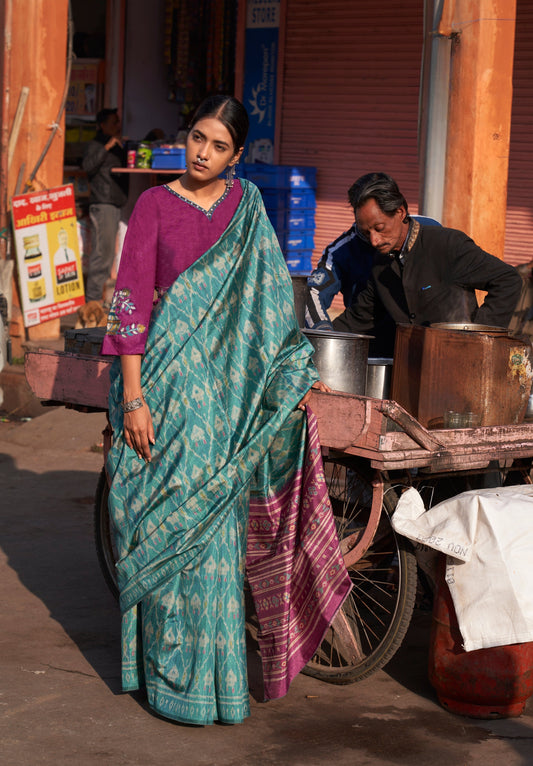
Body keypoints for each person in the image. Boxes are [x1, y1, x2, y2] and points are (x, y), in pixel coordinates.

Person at [100, 95, 350, 726]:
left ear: (238, 157)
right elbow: (131, 304)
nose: (202, 153)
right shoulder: (154, 203)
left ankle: (217, 685)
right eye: (196, 138)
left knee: (215, 535)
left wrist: (287, 375)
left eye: (217, 145)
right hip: (167, 388)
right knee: (165, 522)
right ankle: (163, 676)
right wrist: (134, 398)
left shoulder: (247, 211)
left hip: (230, 400)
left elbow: (269, 304)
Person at [331, 172, 522, 356]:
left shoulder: (447, 245)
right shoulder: (380, 264)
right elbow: (360, 317)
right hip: (414, 371)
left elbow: (508, 280)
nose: (374, 240)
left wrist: (478, 337)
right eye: (366, 233)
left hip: (463, 365)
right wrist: (315, 341)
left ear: (400, 211)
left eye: (380, 228)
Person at [82, 108, 129, 304]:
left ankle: (98, 301)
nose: (117, 126)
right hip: (103, 203)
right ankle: (92, 302)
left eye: (118, 122)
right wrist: (106, 147)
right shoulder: (97, 144)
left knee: (109, 254)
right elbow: (88, 166)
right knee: (102, 255)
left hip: (113, 202)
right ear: (102, 125)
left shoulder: (117, 144)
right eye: (113, 122)